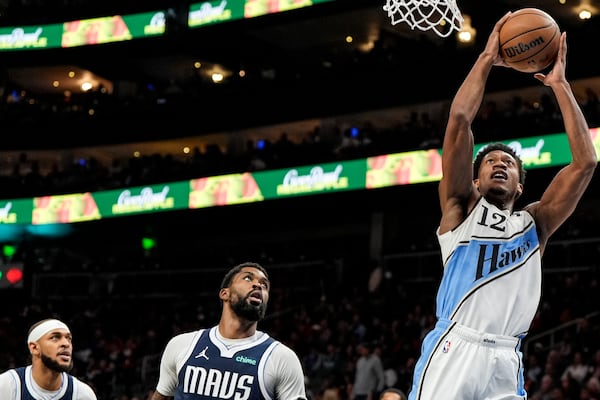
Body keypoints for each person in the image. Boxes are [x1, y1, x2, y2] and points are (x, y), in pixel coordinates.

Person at [407, 11, 597, 400]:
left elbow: (586, 163)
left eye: (508, 163)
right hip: (455, 348)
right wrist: (487, 58)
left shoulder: (536, 224)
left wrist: (559, 85)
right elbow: (459, 121)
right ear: (475, 180)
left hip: (507, 358)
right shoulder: (461, 209)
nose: (499, 163)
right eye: (490, 161)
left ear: (521, 185)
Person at [150, 261, 308, 400]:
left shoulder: (282, 358)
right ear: (225, 293)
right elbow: (161, 396)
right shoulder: (182, 345)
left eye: (264, 285)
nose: (258, 285)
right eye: (248, 278)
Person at [0, 318, 98, 399]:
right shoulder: (7, 385)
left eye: (68, 338)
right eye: (55, 337)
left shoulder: (83, 394)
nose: (66, 344)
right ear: (34, 348)